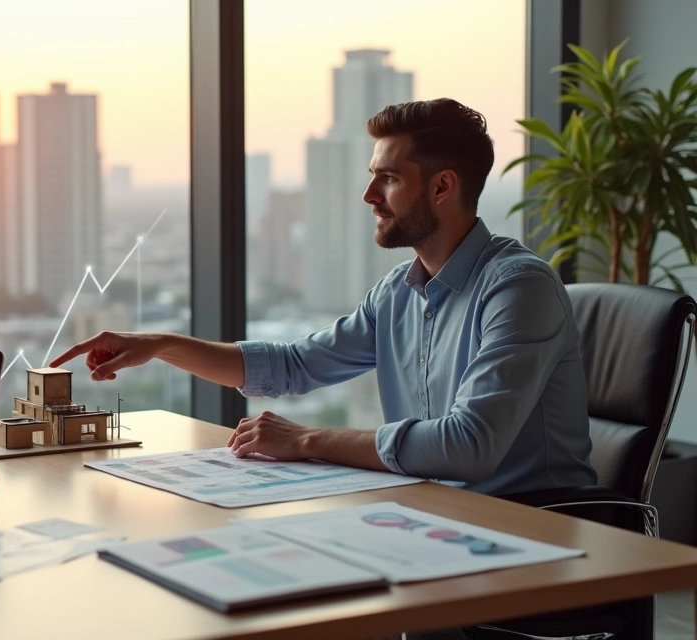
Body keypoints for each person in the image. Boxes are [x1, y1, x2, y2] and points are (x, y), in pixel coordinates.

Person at [52, 98, 596, 497]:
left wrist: (309, 439)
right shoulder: (398, 294)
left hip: (532, 528)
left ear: (442, 187)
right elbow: (293, 366)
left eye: (387, 179)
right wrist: (159, 344)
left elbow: (468, 446)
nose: (368, 196)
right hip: (431, 516)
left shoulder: (518, 288)